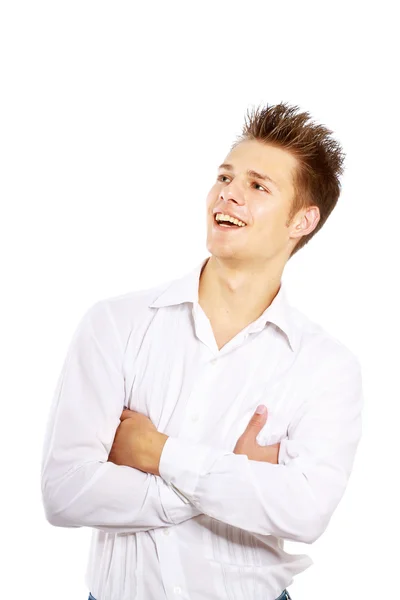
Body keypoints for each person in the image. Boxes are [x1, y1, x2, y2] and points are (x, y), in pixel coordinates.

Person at [41, 101, 363, 600]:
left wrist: (157, 452)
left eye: (258, 186)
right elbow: (64, 493)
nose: (228, 194)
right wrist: (236, 481)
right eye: (225, 177)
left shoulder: (325, 366)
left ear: (302, 220)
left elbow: (306, 513)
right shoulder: (115, 325)